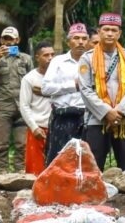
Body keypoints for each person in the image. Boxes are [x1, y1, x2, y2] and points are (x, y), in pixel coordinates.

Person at [79, 13, 125, 171]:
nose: (110, 33)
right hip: (97, 120)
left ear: (119, 34)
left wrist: (119, 110)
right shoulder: (87, 58)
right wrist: (106, 111)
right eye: (106, 29)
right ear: (99, 32)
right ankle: (93, 196)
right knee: (93, 167)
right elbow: (85, 89)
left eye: (114, 30)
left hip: (124, 120)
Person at [0, 26, 34, 173]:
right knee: (2, 143)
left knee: (22, 143)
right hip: (3, 105)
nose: (9, 42)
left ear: (17, 40)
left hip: (22, 106)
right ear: (1, 40)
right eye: (6, 39)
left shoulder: (26, 59)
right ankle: (2, 172)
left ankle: (20, 171)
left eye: (11, 39)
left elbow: (33, 79)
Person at [42, 23, 89, 166]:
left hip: (86, 117)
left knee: (83, 161)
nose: (80, 42)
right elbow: (45, 88)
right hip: (63, 116)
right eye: (76, 38)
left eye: (84, 38)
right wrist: (72, 86)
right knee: (59, 160)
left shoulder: (92, 60)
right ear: (68, 42)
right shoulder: (58, 61)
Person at [20, 41, 55, 175]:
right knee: (36, 170)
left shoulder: (58, 76)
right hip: (38, 127)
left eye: (52, 55)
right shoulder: (29, 79)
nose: (50, 58)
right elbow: (24, 105)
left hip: (57, 126)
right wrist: (34, 127)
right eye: (46, 55)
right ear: (37, 57)